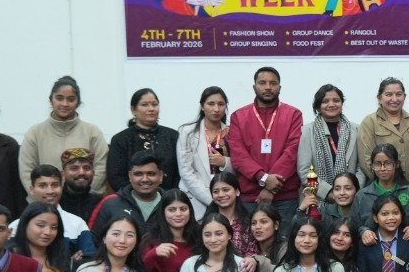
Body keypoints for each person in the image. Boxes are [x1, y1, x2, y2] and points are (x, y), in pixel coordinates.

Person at [229, 67, 305, 221]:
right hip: (251, 197)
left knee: (285, 236)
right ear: (254, 87)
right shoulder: (238, 116)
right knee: (251, 237)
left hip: (285, 197)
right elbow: (238, 155)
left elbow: (292, 152)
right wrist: (263, 178)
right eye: (262, 83)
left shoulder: (293, 115)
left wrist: (271, 188)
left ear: (280, 87)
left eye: (273, 83)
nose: (268, 87)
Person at [20, 76, 110, 194]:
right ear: (51, 100)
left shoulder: (92, 132)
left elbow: (101, 168)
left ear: (78, 102)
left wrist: (85, 196)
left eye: (71, 99)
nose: (65, 104)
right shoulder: (35, 133)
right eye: (59, 98)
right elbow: (27, 172)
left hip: (86, 200)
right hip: (46, 201)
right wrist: (43, 196)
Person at [356, 78, 409, 189]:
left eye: (399, 94)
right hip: (382, 191)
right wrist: (387, 185)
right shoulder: (369, 122)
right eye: (388, 94)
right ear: (379, 98)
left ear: (404, 97)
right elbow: (366, 162)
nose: (394, 99)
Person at [107, 88, 180, 193]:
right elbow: (115, 177)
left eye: (154, 104)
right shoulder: (120, 139)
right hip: (131, 197)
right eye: (145, 105)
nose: (151, 109)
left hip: (169, 197)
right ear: (133, 110)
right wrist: (136, 196)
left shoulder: (173, 136)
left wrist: (171, 195)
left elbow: (180, 172)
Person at [137, 189, 198, 272]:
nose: (178, 214)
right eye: (172, 210)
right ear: (163, 212)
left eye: (183, 209)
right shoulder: (151, 240)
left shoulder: (199, 238)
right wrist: (152, 255)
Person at [16, 165, 95, 257]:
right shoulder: (16, 227)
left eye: (55, 185)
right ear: (32, 190)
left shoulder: (77, 223)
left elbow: (89, 258)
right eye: (42, 186)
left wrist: (72, 263)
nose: (50, 191)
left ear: (62, 187)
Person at [297, 83, 360, 199]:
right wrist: (328, 194)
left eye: (336, 100)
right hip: (317, 199)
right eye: (325, 101)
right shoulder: (307, 131)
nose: (331, 104)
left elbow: (361, 168)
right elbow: (305, 171)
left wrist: (351, 191)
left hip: (352, 198)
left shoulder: (356, 130)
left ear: (342, 104)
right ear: (317, 107)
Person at [175, 86, 229, 217]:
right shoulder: (187, 132)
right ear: (202, 107)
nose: (216, 109)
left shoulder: (231, 132)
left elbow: (239, 165)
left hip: (224, 198)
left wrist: (224, 162)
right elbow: (186, 171)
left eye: (221, 104)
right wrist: (211, 199)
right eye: (211, 104)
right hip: (194, 198)